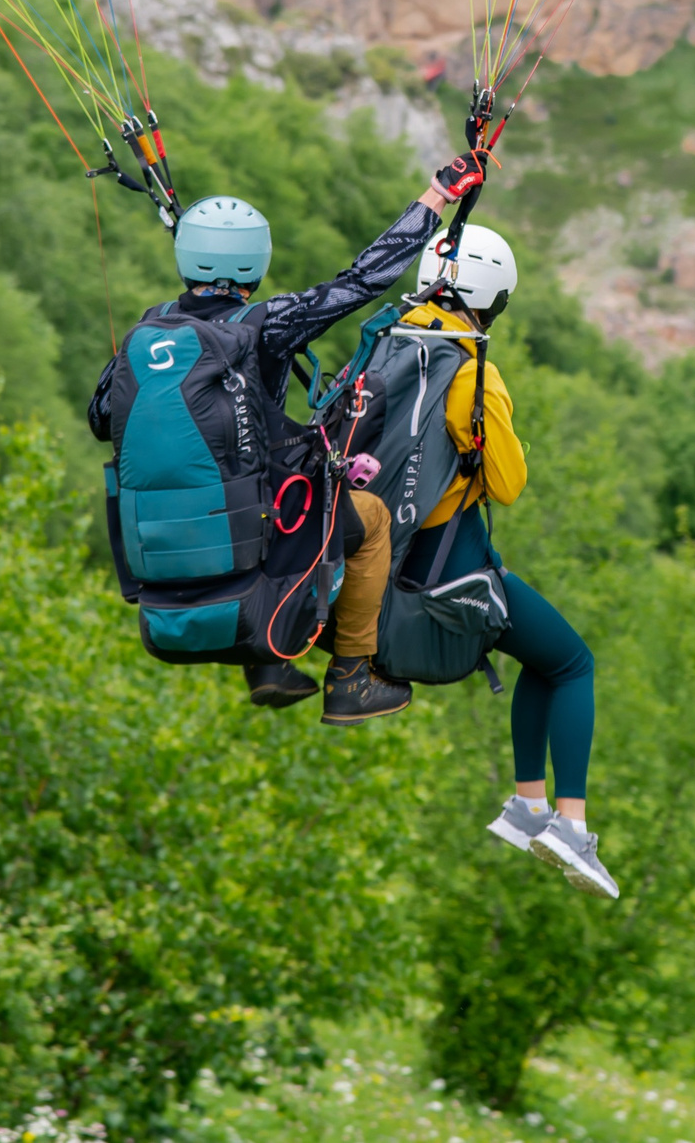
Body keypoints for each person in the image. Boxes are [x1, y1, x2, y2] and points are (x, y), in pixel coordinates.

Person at [86, 148, 490, 711]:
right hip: (259, 524)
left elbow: (101, 418)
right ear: (257, 262)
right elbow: (361, 281)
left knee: (255, 492)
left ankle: (269, 664)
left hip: (161, 552)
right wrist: (437, 197)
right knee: (368, 519)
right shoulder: (264, 326)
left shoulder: (146, 333)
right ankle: (351, 675)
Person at [343, 223, 618, 900]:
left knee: (540, 654)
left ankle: (528, 807)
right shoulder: (470, 367)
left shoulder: (388, 342)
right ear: (491, 295)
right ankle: (571, 823)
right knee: (573, 661)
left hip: (379, 562)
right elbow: (509, 481)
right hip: (446, 571)